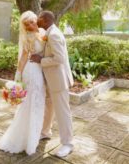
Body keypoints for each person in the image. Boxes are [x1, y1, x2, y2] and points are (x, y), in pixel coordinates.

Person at [0, 11, 46, 155]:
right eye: (27, 24)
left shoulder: (44, 32)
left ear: (36, 19)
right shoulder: (28, 37)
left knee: (37, 103)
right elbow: (24, 57)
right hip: (31, 71)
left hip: (40, 70)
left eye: (32, 21)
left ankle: (32, 136)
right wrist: (18, 75)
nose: (31, 26)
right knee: (31, 104)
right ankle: (27, 140)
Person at [30, 10, 74, 158]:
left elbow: (59, 58)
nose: (36, 21)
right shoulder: (49, 32)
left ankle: (68, 144)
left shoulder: (54, 34)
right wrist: (40, 55)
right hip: (50, 79)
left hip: (58, 80)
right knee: (49, 106)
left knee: (63, 112)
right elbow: (50, 53)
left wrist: (40, 60)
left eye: (39, 19)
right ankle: (45, 132)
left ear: (45, 20)